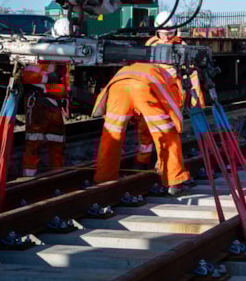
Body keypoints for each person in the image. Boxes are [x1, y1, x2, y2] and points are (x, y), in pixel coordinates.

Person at [92, 63, 191, 196]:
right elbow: (173, 106)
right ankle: (174, 181)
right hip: (143, 88)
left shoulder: (141, 68)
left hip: (118, 88)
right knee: (167, 134)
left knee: (111, 135)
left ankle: (103, 179)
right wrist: (178, 125)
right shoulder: (171, 81)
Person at [134, 12, 204, 176]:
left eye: (170, 33)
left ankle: (164, 165)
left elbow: (192, 75)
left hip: (173, 97)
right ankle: (143, 161)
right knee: (145, 129)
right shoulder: (150, 45)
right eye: (163, 33)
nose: (166, 37)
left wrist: (197, 99)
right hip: (152, 95)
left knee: (168, 132)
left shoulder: (182, 47)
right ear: (157, 31)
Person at [21, 18, 72, 176]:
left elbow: (65, 81)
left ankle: (56, 176)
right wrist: (48, 78)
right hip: (39, 101)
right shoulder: (42, 49)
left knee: (56, 140)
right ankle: (28, 178)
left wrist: (65, 102)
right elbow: (27, 75)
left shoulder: (66, 52)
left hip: (53, 103)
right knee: (34, 141)